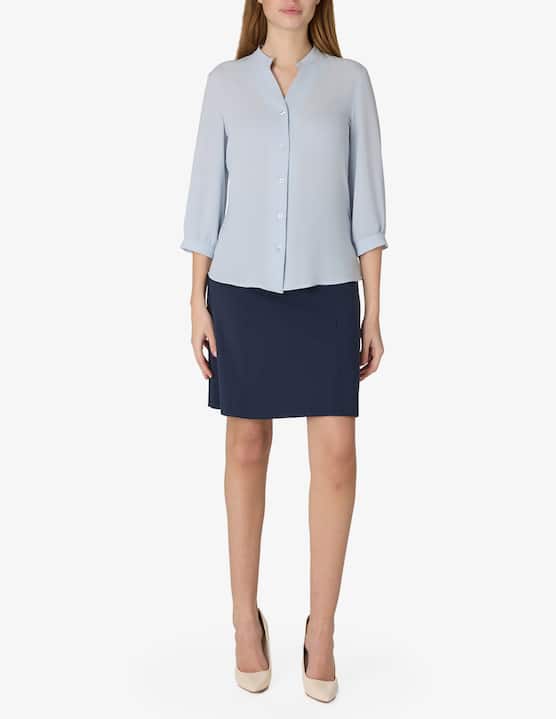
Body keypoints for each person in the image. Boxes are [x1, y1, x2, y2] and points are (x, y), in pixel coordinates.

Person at [180, 0, 388, 702]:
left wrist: (374, 308)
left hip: (328, 291)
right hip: (240, 290)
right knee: (246, 447)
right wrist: (196, 300)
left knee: (337, 454)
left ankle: (320, 631)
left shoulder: (351, 82)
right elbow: (205, 197)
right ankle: (246, 621)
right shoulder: (225, 83)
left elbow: (368, 205)